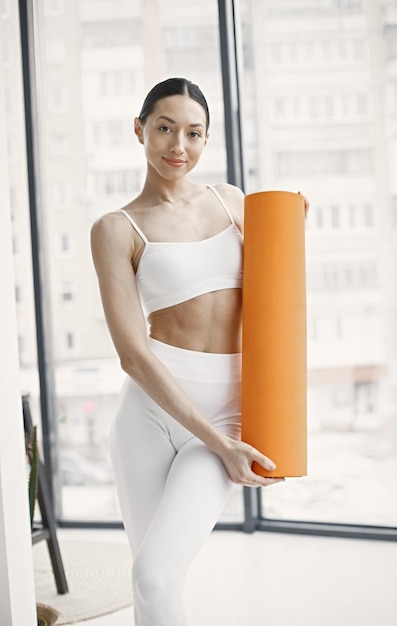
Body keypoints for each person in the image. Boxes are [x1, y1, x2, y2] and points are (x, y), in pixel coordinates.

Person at [90, 77, 309, 626]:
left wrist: (293, 229)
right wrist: (218, 441)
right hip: (148, 416)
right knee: (152, 581)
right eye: (164, 128)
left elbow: (277, 291)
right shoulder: (115, 228)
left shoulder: (230, 201)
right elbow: (133, 355)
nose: (177, 146)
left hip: (227, 417)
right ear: (139, 130)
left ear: (207, 140)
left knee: (155, 576)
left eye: (193, 133)